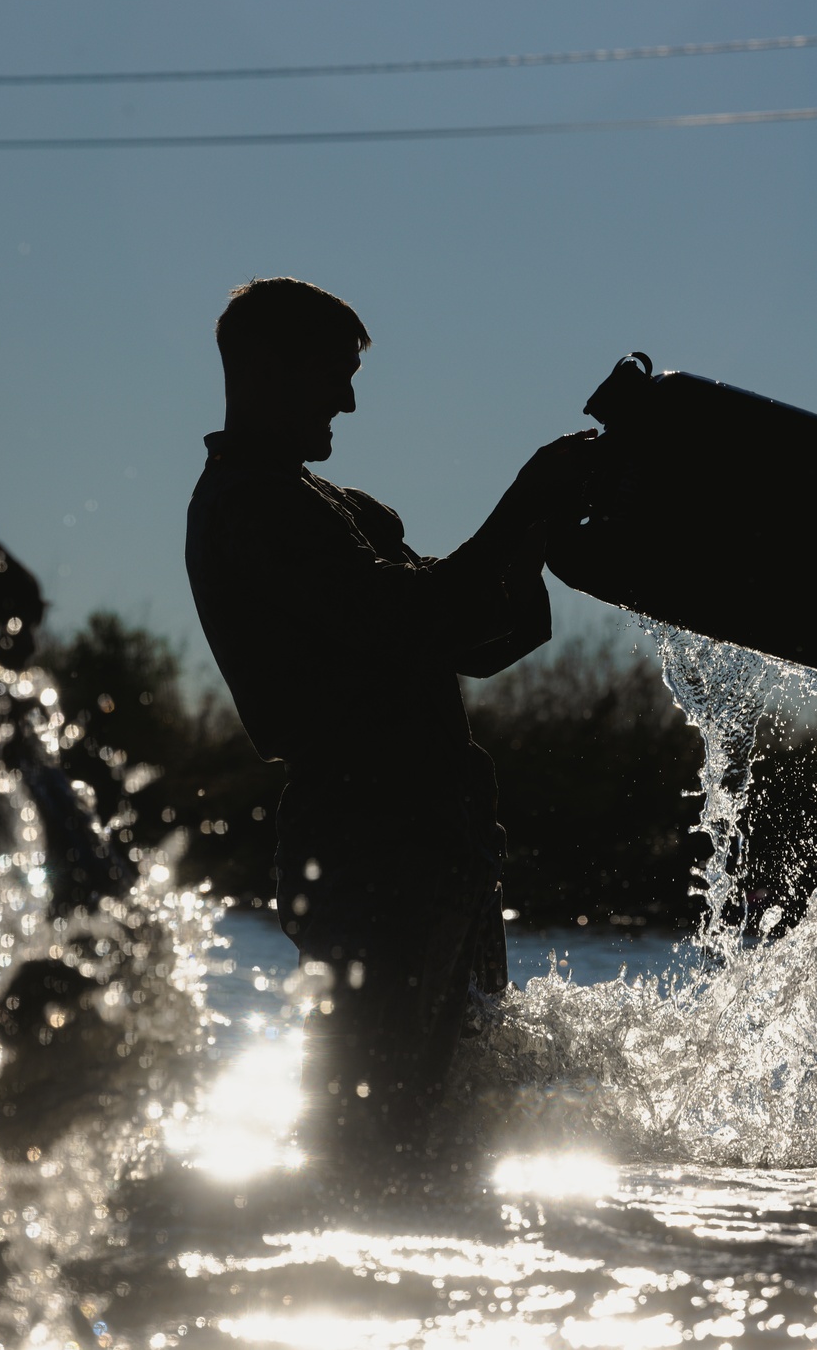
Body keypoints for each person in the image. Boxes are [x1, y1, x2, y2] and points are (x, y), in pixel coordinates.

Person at [185, 277, 595, 1158]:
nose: (349, 399)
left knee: (452, 1130)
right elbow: (407, 615)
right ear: (264, 368)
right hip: (367, 850)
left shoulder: (338, 508)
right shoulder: (249, 504)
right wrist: (524, 498)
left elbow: (471, 636)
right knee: (375, 1134)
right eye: (331, 374)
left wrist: (536, 539)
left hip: (439, 843)